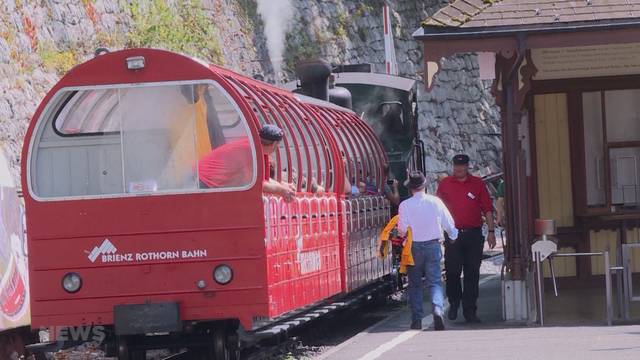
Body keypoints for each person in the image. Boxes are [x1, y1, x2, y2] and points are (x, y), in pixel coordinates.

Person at [436, 154, 495, 323]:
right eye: (455, 167)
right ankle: (454, 302)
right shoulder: (445, 184)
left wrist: (491, 231)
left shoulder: (477, 184)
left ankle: (470, 309)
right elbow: (438, 210)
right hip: (453, 235)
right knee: (453, 271)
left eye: (461, 168)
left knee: (472, 272)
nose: (458, 170)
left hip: (473, 234)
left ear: (468, 166)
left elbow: (488, 209)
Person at [398, 171, 458, 331]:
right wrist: (453, 235)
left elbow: (402, 229)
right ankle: (437, 310)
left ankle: (416, 320)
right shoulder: (436, 202)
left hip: (413, 247)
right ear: (425, 186)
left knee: (415, 285)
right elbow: (448, 222)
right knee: (435, 282)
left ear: (411, 189)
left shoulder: (404, 205)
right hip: (433, 245)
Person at [198, 124, 295, 201]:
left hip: (201, 182)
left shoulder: (256, 148)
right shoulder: (251, 152)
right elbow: (255, 183)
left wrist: (283, 186)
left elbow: (263, 180)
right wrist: (282, 190)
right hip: (198, 182)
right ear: (274, 144)